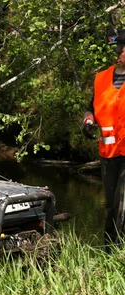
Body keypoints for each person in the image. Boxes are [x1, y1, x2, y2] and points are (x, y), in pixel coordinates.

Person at [83, 29, 125, 245]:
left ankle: (119, 248)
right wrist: (87, 120)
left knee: (121, 202)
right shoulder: (101, 79)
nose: (118, 53)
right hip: (108, 153)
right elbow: (91, 108)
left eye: (120, 49)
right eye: (117, 49)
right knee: (110, 205)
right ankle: (109, 249)